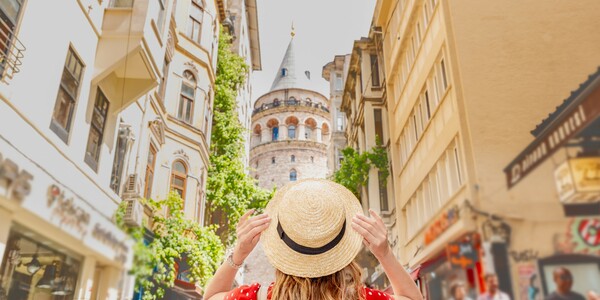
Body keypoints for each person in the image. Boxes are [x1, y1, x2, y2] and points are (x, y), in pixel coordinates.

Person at [203, 179, 424, 300]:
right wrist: (384, 254)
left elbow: (211, 296)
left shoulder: (255, 296)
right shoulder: (364, 299)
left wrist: (238, 254)